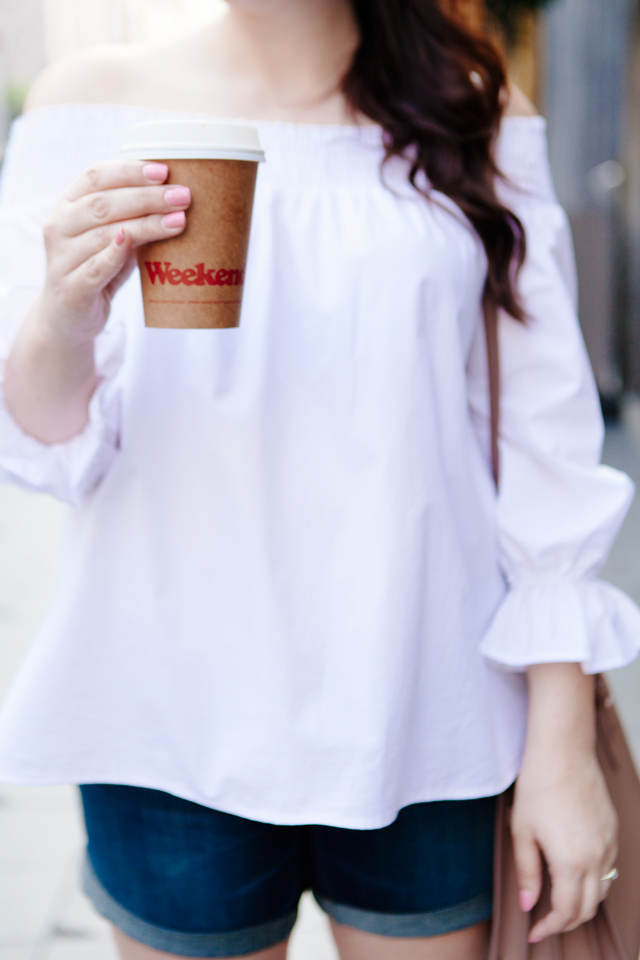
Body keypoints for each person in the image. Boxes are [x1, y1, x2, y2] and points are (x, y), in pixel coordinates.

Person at [0, 1, 639, 958]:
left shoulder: (468, 105)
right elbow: (46, 433)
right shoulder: (88, 102)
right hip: (169, 708)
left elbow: (541, 440)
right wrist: (65, 308)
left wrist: (559, 740)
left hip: (426, 700)